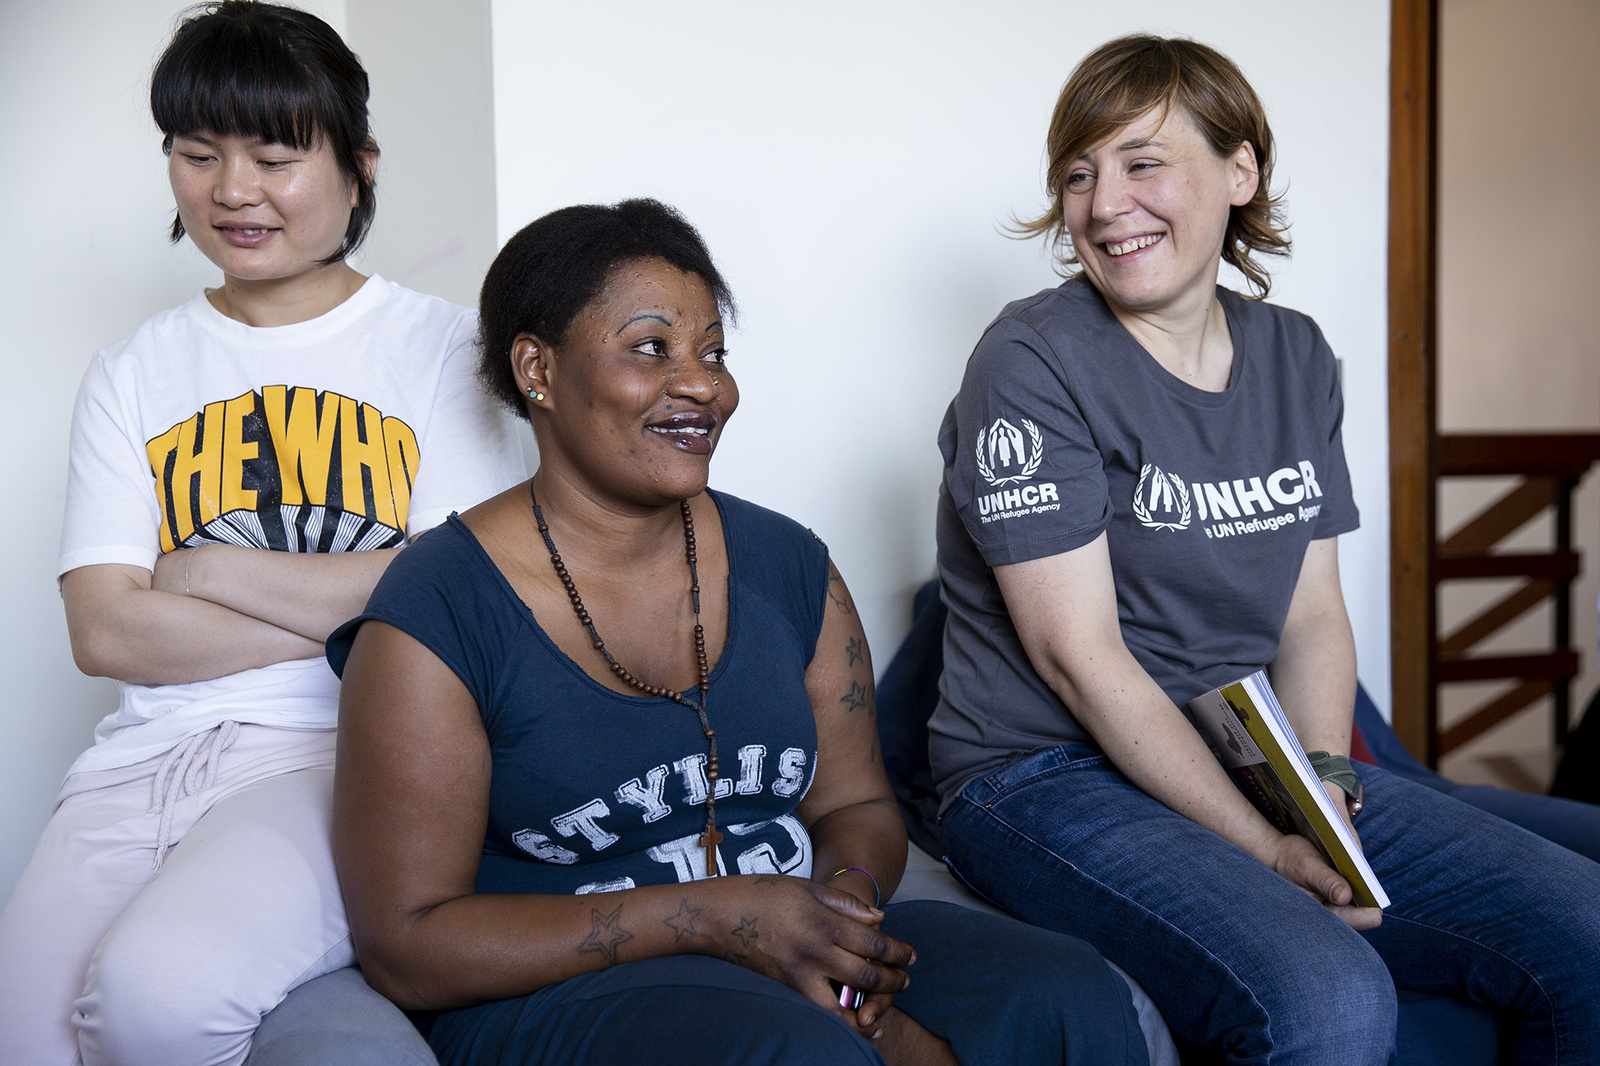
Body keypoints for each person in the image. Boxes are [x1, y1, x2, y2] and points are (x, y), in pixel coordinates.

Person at [326, 198, 1150, 1066]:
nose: (703, 386)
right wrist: (720, 918)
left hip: (785, 928)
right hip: (563, 984)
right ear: (538, 369)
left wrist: (839, 925)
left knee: (1066, 994)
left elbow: (858, 806)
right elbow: (407, 944)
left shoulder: (789, 565)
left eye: (713, 353)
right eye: (652, 349)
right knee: (797, 1052)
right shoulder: (441, 607)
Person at [929, 33, 1600, 1066]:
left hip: (1243, 753)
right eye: (1079, 173)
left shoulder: (1296, 354)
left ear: (1239, 170)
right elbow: (1077, 657)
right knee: (1328, 995)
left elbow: (1312, 613)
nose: (1104, 204)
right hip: (1042, 775)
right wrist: (1267, 850)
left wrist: (1320, 785)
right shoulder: (1030, 360)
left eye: (1142, 162)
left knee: (1586, 929)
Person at [0, 3, 524, 1063]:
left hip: (335, 754)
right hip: (135, 765)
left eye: (275, 158)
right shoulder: (132, 371)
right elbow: (105, 632)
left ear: (359, 167)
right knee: (23, 1034)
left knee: (156, 997)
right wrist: (356, 606)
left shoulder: (442, 351)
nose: (232, 190)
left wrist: (199, 569)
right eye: (198, 155)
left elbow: (453, 593)